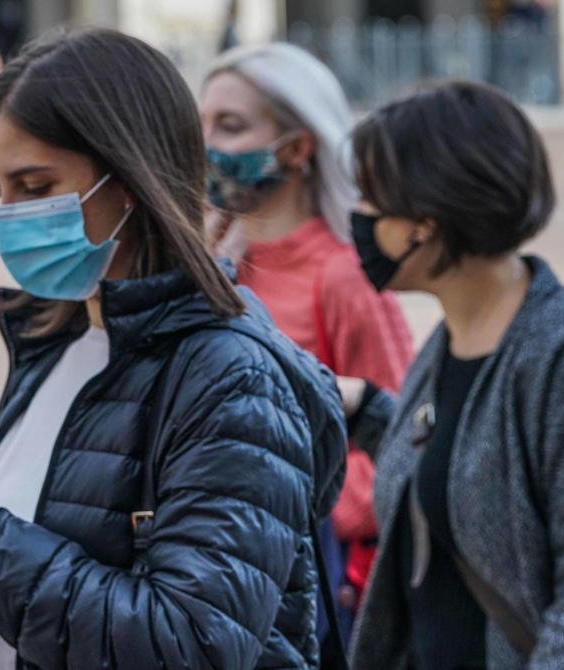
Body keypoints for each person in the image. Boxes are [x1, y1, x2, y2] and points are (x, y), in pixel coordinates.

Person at [0, 28, 347, 669]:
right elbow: (4, 622)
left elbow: (196, 644)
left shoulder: (231, 377)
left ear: (129, 177)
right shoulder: (53, 344)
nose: (9, 214)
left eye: (35, 186)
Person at [345, 81, 564, 668]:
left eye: (371, 200)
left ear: (425, 221)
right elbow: (465, 473)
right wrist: (367, 411)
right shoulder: (453, 337)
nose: (359, 218)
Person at [199, 42, 414, 637]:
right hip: (217, 581)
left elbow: (401, 439)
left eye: (230, 126)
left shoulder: (343, 275)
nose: (206, 144)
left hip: (316, 594)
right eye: (202, 124)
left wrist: (302, 509)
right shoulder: (209, 259)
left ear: (297, 148)